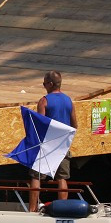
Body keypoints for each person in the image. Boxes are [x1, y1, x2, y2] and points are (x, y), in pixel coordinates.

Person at [28, 71, 79, 212]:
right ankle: (63, 209)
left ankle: (32, 210)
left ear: (50, 84)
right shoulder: (69, 100)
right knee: (62, 179)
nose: (44, 86)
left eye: (44, 83)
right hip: (62, 145)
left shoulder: (44, 100)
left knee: (36, 176)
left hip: (46, 145)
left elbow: (40, 125)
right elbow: (75, 125)